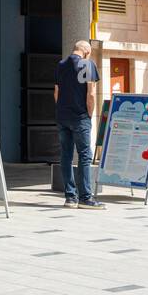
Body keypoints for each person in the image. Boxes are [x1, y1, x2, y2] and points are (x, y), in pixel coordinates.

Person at [55, 40, 103, 209]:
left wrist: (62, 110)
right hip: (80, 116)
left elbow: (57, 92)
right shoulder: (87, 64)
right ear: (87, 52)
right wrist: (89, 114)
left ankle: (70, 197)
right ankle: (85, 197)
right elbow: (91, 94)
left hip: (62, 116)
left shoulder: (61, 65)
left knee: (66, 155)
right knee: (84, 155)